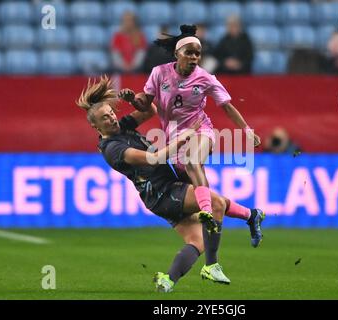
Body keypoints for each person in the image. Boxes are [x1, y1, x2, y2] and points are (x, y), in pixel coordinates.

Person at [76, 76, 265, 293]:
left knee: (198, 240)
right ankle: (213, 264)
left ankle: (168, 281)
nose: (112, 118)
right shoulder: (112, 148)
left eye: (111, 113)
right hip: (162, 192)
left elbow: (150, 111)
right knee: (214, 204)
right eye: (105, 118)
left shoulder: (122, 128)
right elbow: (156, 158)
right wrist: (185, 137)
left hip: (162, 192)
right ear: (95, 126)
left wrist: (133, 101)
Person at [121, 25, 263, 234]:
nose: (195, 57)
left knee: (192, 161)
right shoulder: (159, 73)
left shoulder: (205, 78)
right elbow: (145, 103)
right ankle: (251, 215)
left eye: (198, 53)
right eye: (189, 52)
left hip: (200, 129)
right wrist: (133, 99)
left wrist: (247, 130)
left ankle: (206, 213)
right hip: (174, 138)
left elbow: (227, 106)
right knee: (203, 192)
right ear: (177, 53)